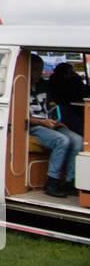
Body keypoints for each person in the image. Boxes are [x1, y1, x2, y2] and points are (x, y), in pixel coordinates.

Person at [28, 54, 82, 197]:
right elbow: (19, 116)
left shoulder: (44, 85)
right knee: (62, 141)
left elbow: (52, 107)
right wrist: (43, 122)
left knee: (78, 141)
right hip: (33, 126)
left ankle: (71, 182)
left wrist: (56, 121)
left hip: (49, 124)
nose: (38, 73)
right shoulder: (20, 86)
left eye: (40, 70)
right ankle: (52, 181)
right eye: (34, 70)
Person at [46, 61, 89, 137]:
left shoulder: (54, 80)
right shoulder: (65, 81)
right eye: (71, 72)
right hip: (65, 109)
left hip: (70, 109)